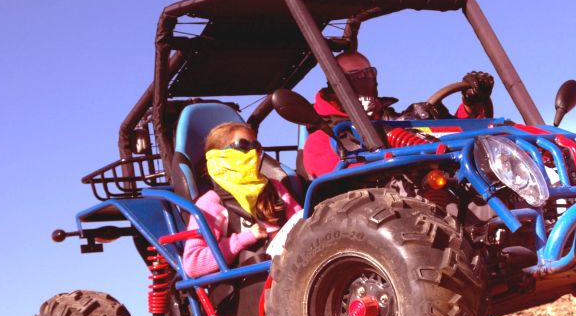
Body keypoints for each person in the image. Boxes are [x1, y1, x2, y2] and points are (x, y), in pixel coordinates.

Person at [303, 51, 495, 178]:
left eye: (369, 74)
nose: (365, 80)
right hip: (372, 220)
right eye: (357, 76)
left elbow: (454, 137)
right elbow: (353, 185)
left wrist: (472, 106)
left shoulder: (391, 120)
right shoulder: (322, 139)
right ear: (336, 85)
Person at [182, 122, 301, 279]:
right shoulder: (211, 203)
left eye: (256, 147)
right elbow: (193, 264)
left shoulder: (275, 188)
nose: (252, 153)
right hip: (250, 284)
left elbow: (303, 224)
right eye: (243, 146)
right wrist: (243, 239)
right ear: (219, 155)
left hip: (293, 273)